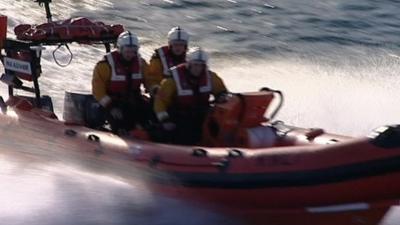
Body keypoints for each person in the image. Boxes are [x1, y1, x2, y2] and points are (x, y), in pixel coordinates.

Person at [153, 47, 228, 145]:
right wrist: (165, 120)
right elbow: (160, 101)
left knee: (217, 126)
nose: (198, 68)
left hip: (202, 114)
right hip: (179, 116)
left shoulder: (211, 77)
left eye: (201, 66)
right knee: (184, 134)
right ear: (189, 64)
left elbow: (221, 91)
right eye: (195, 65)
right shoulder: (173, 80)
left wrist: (221, 96)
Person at [92, 31, 150, 134]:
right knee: (120, 122)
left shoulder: (141, 64)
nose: (130, 54)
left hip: (134, 101)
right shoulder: (105, 66)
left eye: (133, 51)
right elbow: (98, 91)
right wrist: (111, 107)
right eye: (127, 50)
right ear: (120, 49)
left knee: (149, 117)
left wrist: (155, 92)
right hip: (112, 103)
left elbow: (149, 81)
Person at [147, 27, 190, 96]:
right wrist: (155, 89)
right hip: (162, 96)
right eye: (175, 44)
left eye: (181, 44)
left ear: (185, 46)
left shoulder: (191, 60)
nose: (178, 47)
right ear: (170, 45)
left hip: (185, 96)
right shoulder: (159, 59)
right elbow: (152, 78)